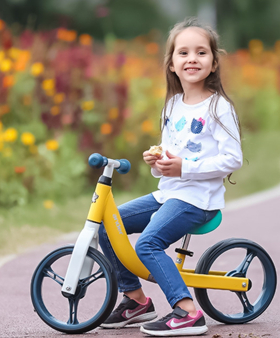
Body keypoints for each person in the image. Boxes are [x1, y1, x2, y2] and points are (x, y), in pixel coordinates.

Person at [98, 16, 243, 337]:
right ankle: (135, 299)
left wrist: (183, 168)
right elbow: (171, 156)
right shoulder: (174, 104)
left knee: (148, 244)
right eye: (184, 53)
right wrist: (157, 161)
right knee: (110, 225)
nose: (192, 58)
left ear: (215, 63)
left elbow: (233, 159)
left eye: (201, 53)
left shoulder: (219, 108)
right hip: (169, 193)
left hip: (197, 199)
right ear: (172, 64)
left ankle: (188, 312)